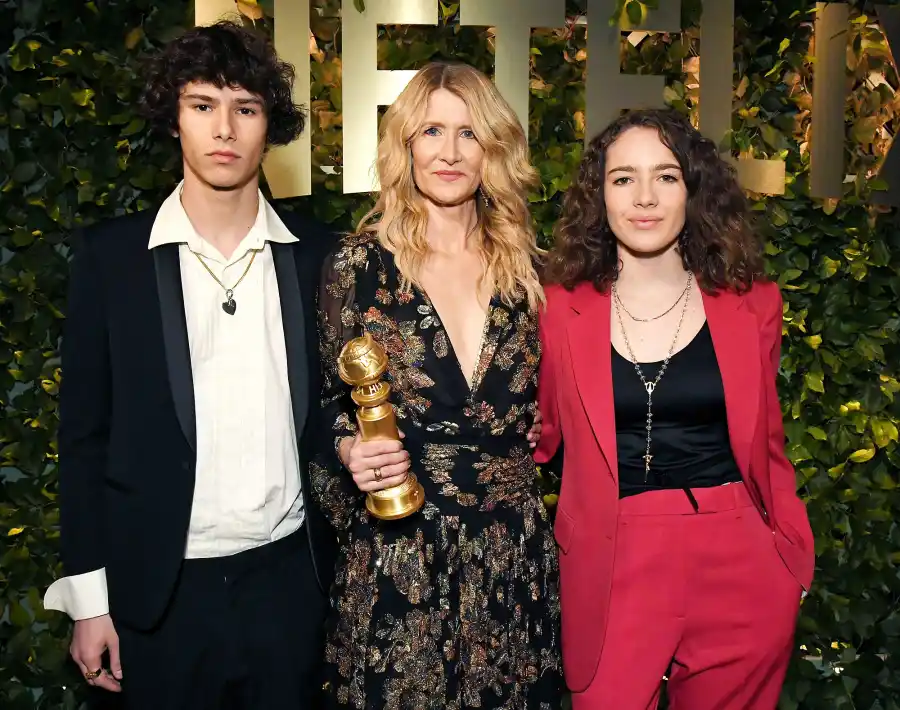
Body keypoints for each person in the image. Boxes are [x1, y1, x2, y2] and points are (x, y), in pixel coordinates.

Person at [42, 20, 336, 709]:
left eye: (246, 108)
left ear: (271, 126)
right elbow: (82, 441)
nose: (224, 128)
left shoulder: (320, 258)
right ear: (174, 120)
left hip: (290, 588)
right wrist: (90, 602)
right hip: (158, 598)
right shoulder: (111, 262)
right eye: (203, 106)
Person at [535, 108, 815, 709]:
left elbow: (768, 442)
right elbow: (538, 435)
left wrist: (789, 556)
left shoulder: (754, 304)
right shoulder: (557, 309)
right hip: (614, 560)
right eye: (623, 178)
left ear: (693, 190)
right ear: (599, 195)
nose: (644, 197)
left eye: (665, 177)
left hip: (741, 558)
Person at [311, 61, 563, 709]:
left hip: (512, 555)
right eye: (431, 131)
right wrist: (349, 450)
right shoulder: (358, 266)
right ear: (405, 145)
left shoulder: (534, 272)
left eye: (469, 133)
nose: (449, 152)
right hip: (400, 553)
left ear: (494, 150)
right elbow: (323, 404)